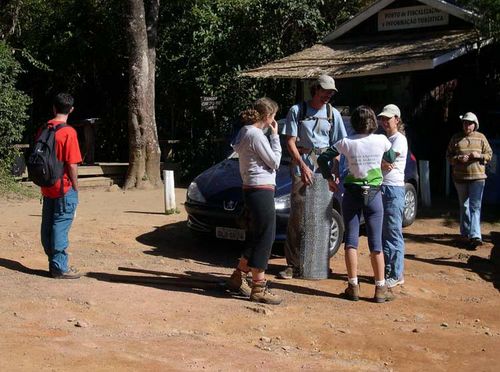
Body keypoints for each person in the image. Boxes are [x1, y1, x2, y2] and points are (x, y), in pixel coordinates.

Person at [318, 105, 395, 303]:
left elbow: (322, 158)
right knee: (375, 242)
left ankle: (353, 286)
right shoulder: (381, 140)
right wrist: (383, 162)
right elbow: (392, 156)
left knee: (351, 240)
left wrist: (329, 178)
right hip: (374, 193)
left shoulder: (346, 142)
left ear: (353, 122)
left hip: (352, 193)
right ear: (372, 122)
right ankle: (380, 288)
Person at [278, 74, 347, 279]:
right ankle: (293, 265)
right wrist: (302, 164)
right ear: (315, 89)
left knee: (322, 217)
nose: (328, 95)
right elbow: (290, 142)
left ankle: (319, 263)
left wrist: (334, 171)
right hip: (302, 169)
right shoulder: (297, 111)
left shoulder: (333, 114)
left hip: (323, 169)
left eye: (331, 92)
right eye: (325, 91)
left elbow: (339, 146)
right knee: (298, 217)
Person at [226, 97, 282, 305]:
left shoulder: (245, 132)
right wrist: (275, 137)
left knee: (256, 235)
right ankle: (259, 286)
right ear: (268, 117)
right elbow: (275, 162)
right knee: (266, 236)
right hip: (261, 188)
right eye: (273, 116)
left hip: (251, 187)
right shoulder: (256, 135)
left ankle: (237, 277)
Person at [39, 93, 82, 279]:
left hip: (47, 186)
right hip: (63, 187)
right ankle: (59, 268)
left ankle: (53, 263)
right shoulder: (68, 132)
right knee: (61, 225)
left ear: (54, 108)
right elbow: (72, 164)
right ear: (71, 110)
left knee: (48, 225)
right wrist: (75, 186)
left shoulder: (44, 128)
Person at [446, 112, 492, 250]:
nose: (467, 125)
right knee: (464, 206)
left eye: (469, 123)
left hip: (477, 178)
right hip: (460, 178)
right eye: (465, 122)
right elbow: (448, 156)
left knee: (475, 206)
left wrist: (479, 156)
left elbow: (489, 154)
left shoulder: (481, 137)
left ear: (475, 125)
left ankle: (475, 236)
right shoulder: (456, 138)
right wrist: (457, 158)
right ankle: (465, 233)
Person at [378, 104, 408, 288]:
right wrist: (380, 161)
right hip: (382, 187)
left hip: (393, 189)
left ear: (397, 119)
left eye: (388, 119)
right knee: (385, 232)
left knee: (393, 231)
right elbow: (379, 161)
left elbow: (386, 160)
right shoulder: (384, 138)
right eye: (382, 118)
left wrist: (380, 161)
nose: (384, 122)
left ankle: (396, 273)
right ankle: (390, 270)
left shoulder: (399, 139)